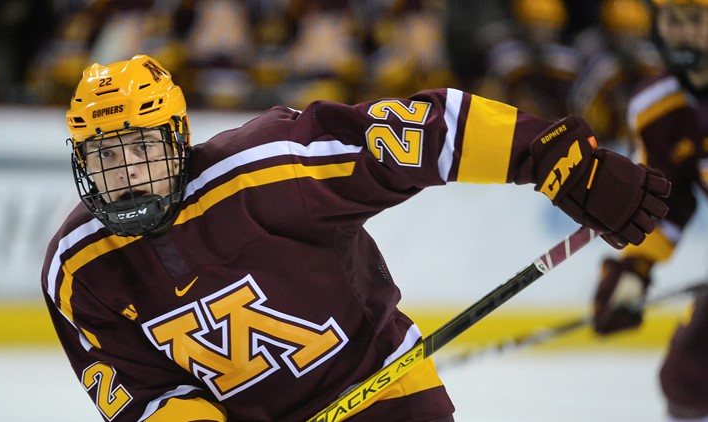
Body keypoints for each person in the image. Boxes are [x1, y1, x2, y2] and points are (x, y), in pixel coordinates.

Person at [42, 53, 669, 422]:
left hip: (385, 392)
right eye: (104, 159)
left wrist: (547, 155)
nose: (125, 179)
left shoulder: (270, 169)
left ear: (178, 140)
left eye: (141, 152)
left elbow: (426, 132)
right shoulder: (77, 270)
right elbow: (148, 397)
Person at [591, 0, 708, 420]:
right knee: (688, 378)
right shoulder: (658, 107)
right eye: (672, 19)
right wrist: (635, 269)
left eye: (695, 19)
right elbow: (669, 203)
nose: (682, 32)